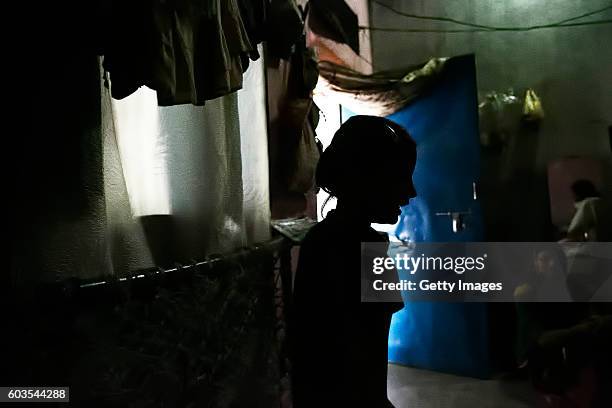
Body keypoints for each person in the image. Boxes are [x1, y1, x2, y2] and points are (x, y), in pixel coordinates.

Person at [291, 116, 417, 407]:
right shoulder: (365, 251)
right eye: (400, 177)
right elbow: (366, 366)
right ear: (368, 179)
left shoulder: (319, 241)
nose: (410, 192)